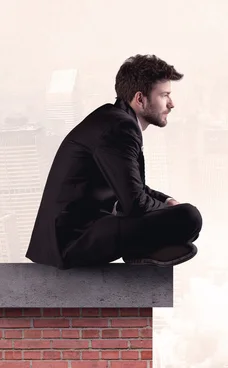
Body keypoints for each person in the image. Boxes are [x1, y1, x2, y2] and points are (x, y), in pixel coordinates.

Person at [26, 54, 202, 270]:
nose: (171, 104)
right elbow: (135, 203)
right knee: (189, 217)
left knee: (180, 215)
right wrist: (172, 212)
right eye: (164, 95)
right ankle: (142, 249)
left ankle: (144, 249)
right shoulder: (119, 128)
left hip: (82, 232)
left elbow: (133, 188)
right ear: (140, 99)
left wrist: (166, 202)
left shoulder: (113, 120)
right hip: (73, 242)